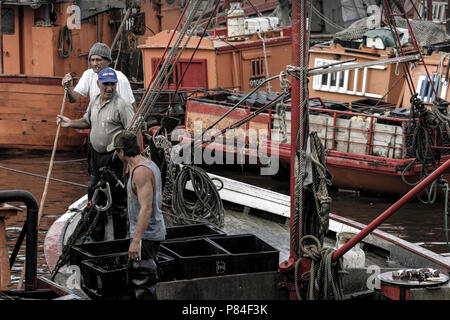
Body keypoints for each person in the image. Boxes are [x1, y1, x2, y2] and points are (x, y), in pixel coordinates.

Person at [57, 68, 135, 241]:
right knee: (94, 196)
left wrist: (125, 158)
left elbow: (132, 133)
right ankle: (96, 238)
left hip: (114, 159)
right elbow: (87, 121)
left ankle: (119, 242)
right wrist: (70, 123)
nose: (109, 88)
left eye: (112, 84)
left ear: (116, 85)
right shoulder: (94, 101)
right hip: (95, 157)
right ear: (98, 84)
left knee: (118, 203)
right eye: (105, 84)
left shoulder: (122, 106)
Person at [106, 130, 166, 300]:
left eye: (117, 151)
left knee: (142, 283)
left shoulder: (141, 173)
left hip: (146, 235)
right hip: (150, 232)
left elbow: (146, 208)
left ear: (122, 152)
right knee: (137, 278)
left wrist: (136, 240)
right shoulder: (147, 164)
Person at [62, 42, 136, 109]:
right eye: (92, 60)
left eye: (98, 60)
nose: (95, 64)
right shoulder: (88, 75)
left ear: (108, 61)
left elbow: (130, 105)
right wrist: (68, 89)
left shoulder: (120, 78)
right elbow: (73, 98)